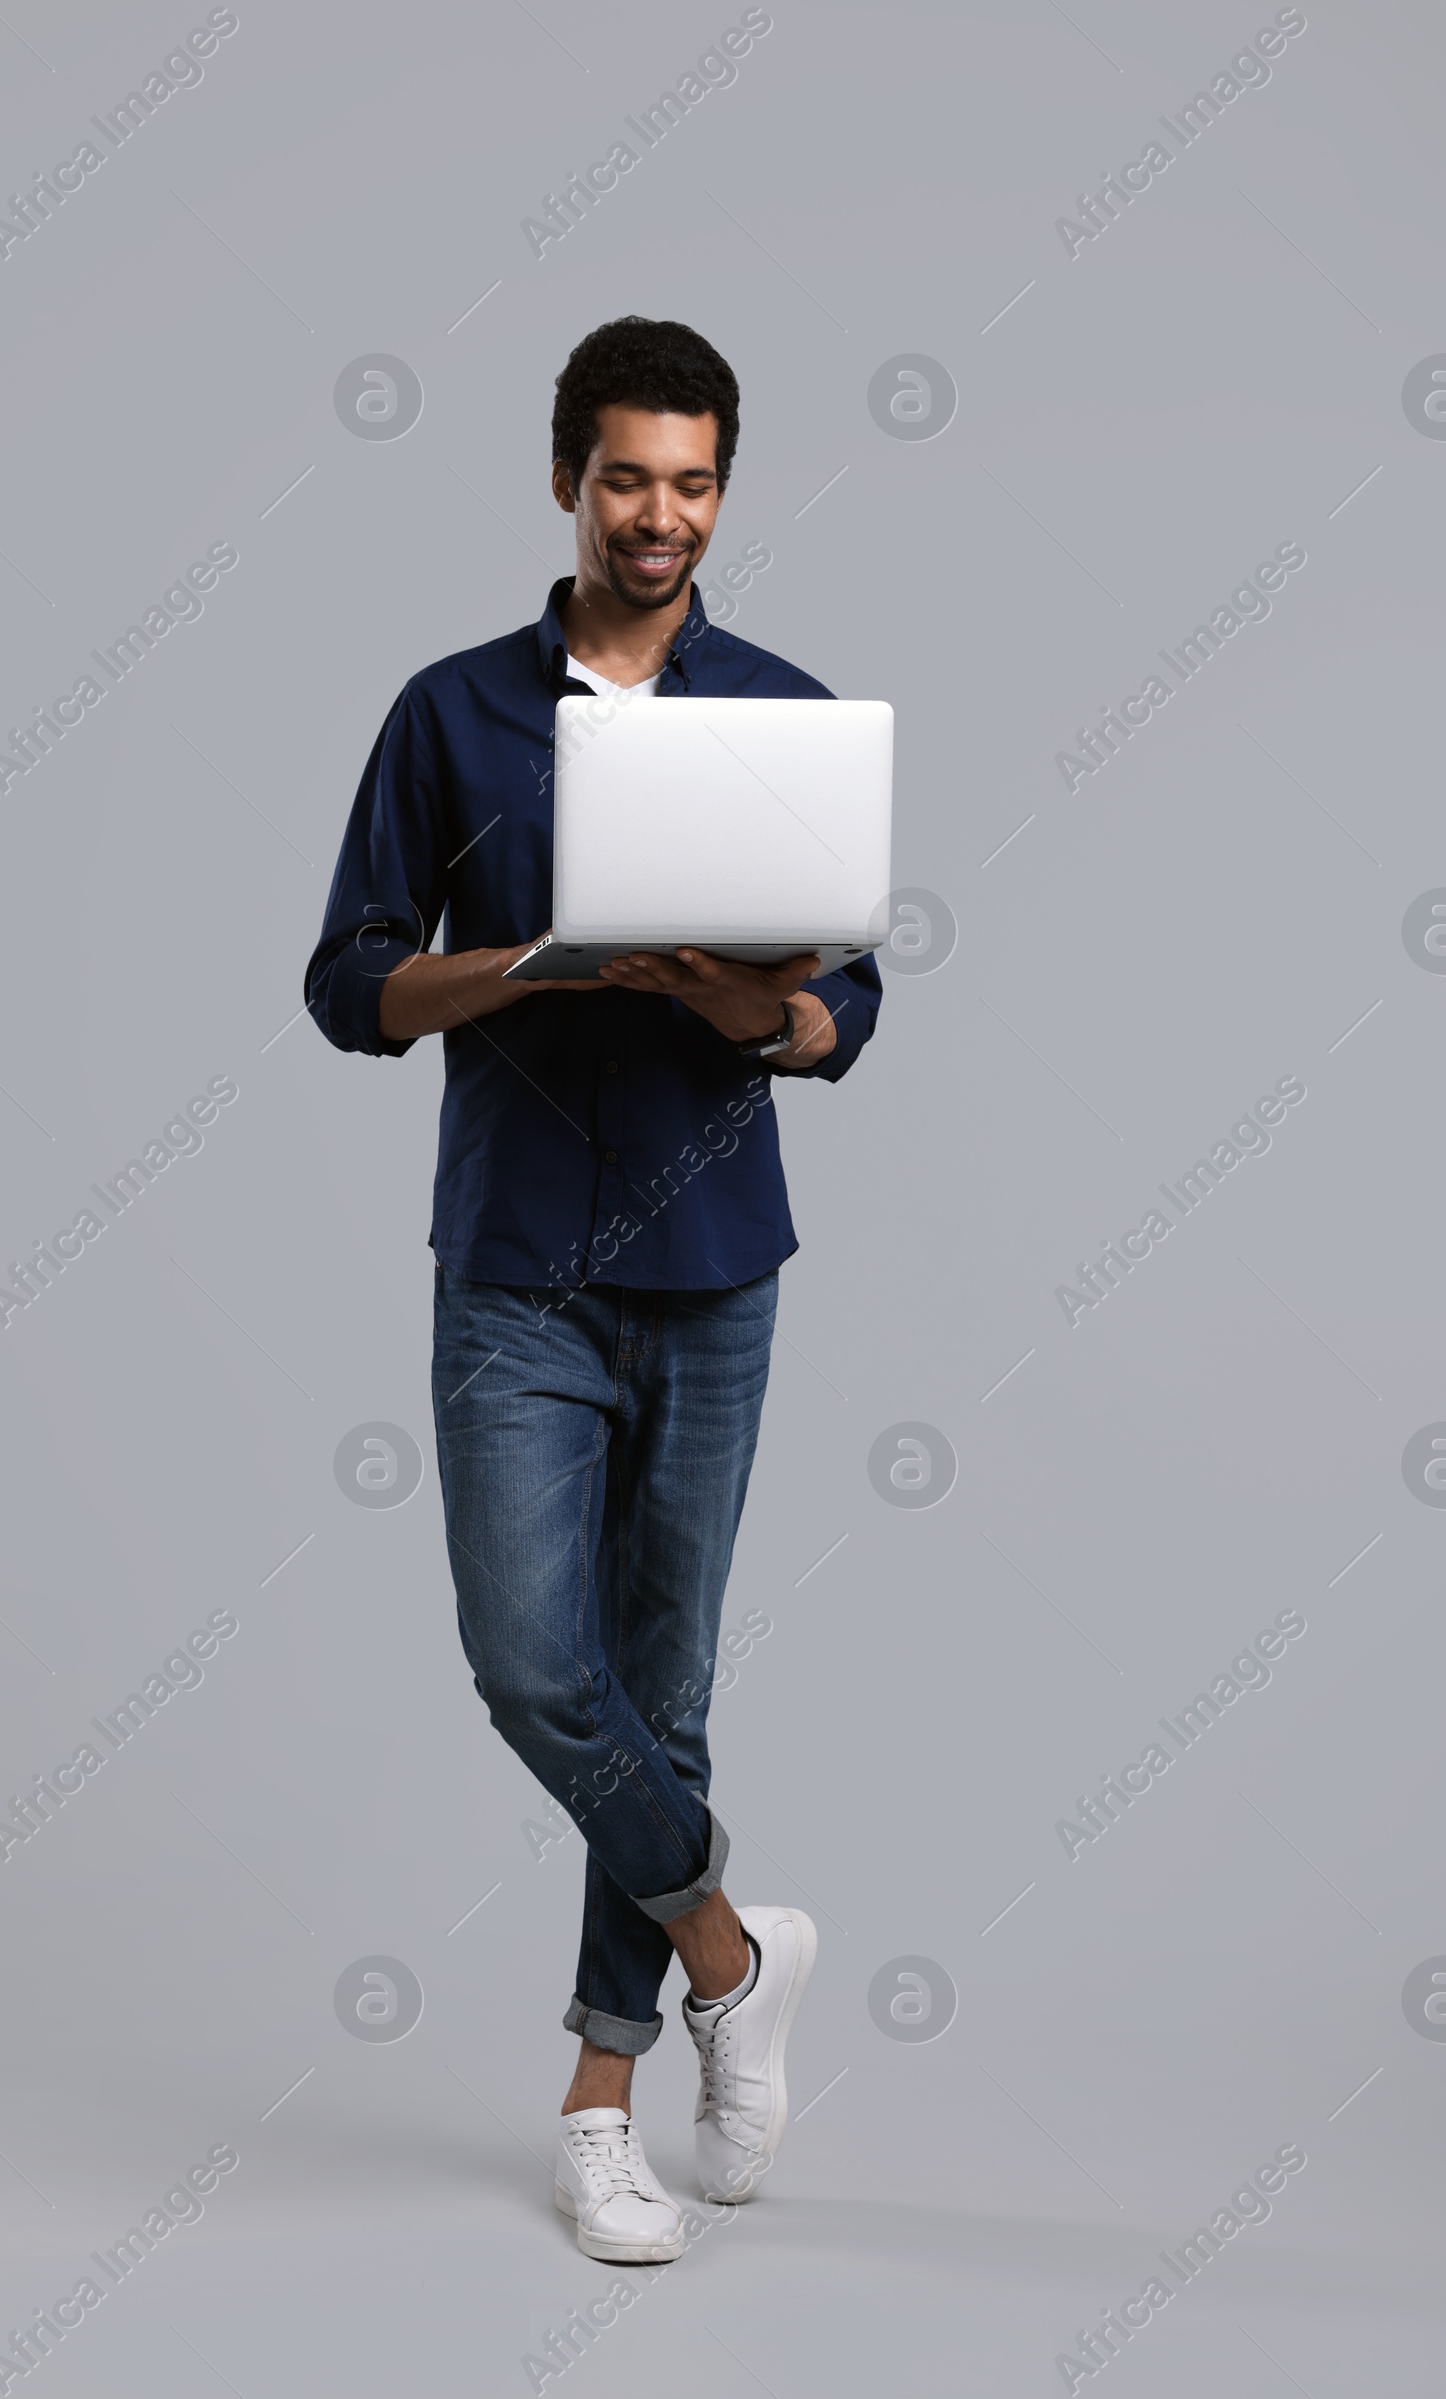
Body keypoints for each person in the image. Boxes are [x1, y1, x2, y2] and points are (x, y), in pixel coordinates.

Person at [305, 315, 881, 2263]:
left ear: (725, 490)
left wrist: (759, 1008)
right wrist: (526, 967)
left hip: (718, 1266)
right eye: (627, 476)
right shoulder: (452, 714)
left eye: (694, 481)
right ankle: (731, 1949)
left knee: (664, 1692)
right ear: (565, 477)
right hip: (519, 1269)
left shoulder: (781, 714)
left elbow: (845, 996)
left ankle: (597, 2103)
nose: (660, 515)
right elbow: (348, 987)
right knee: (535, 1667)